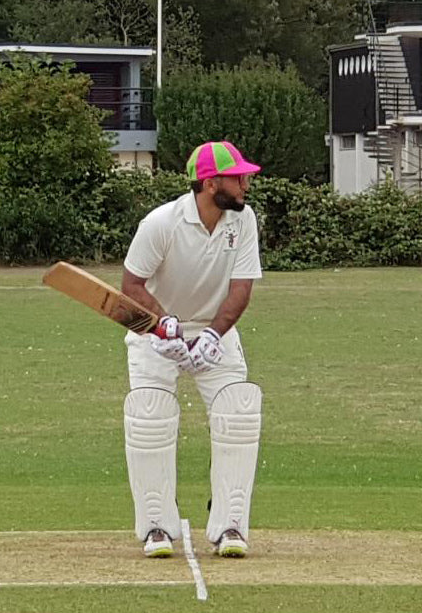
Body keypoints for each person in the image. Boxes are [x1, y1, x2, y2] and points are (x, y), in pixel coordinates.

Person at [119, 141, 264, 559]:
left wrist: (213, 338)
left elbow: (240, 290)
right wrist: (165, 326)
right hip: (156, 333)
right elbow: (130, 286)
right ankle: (156, 527)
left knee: (237, 412)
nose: (246, 184)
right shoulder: (160, 223)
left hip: (214, 332)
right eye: (239, 177)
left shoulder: (243, 220)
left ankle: (230, 524)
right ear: (210, 182)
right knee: (150, 415)